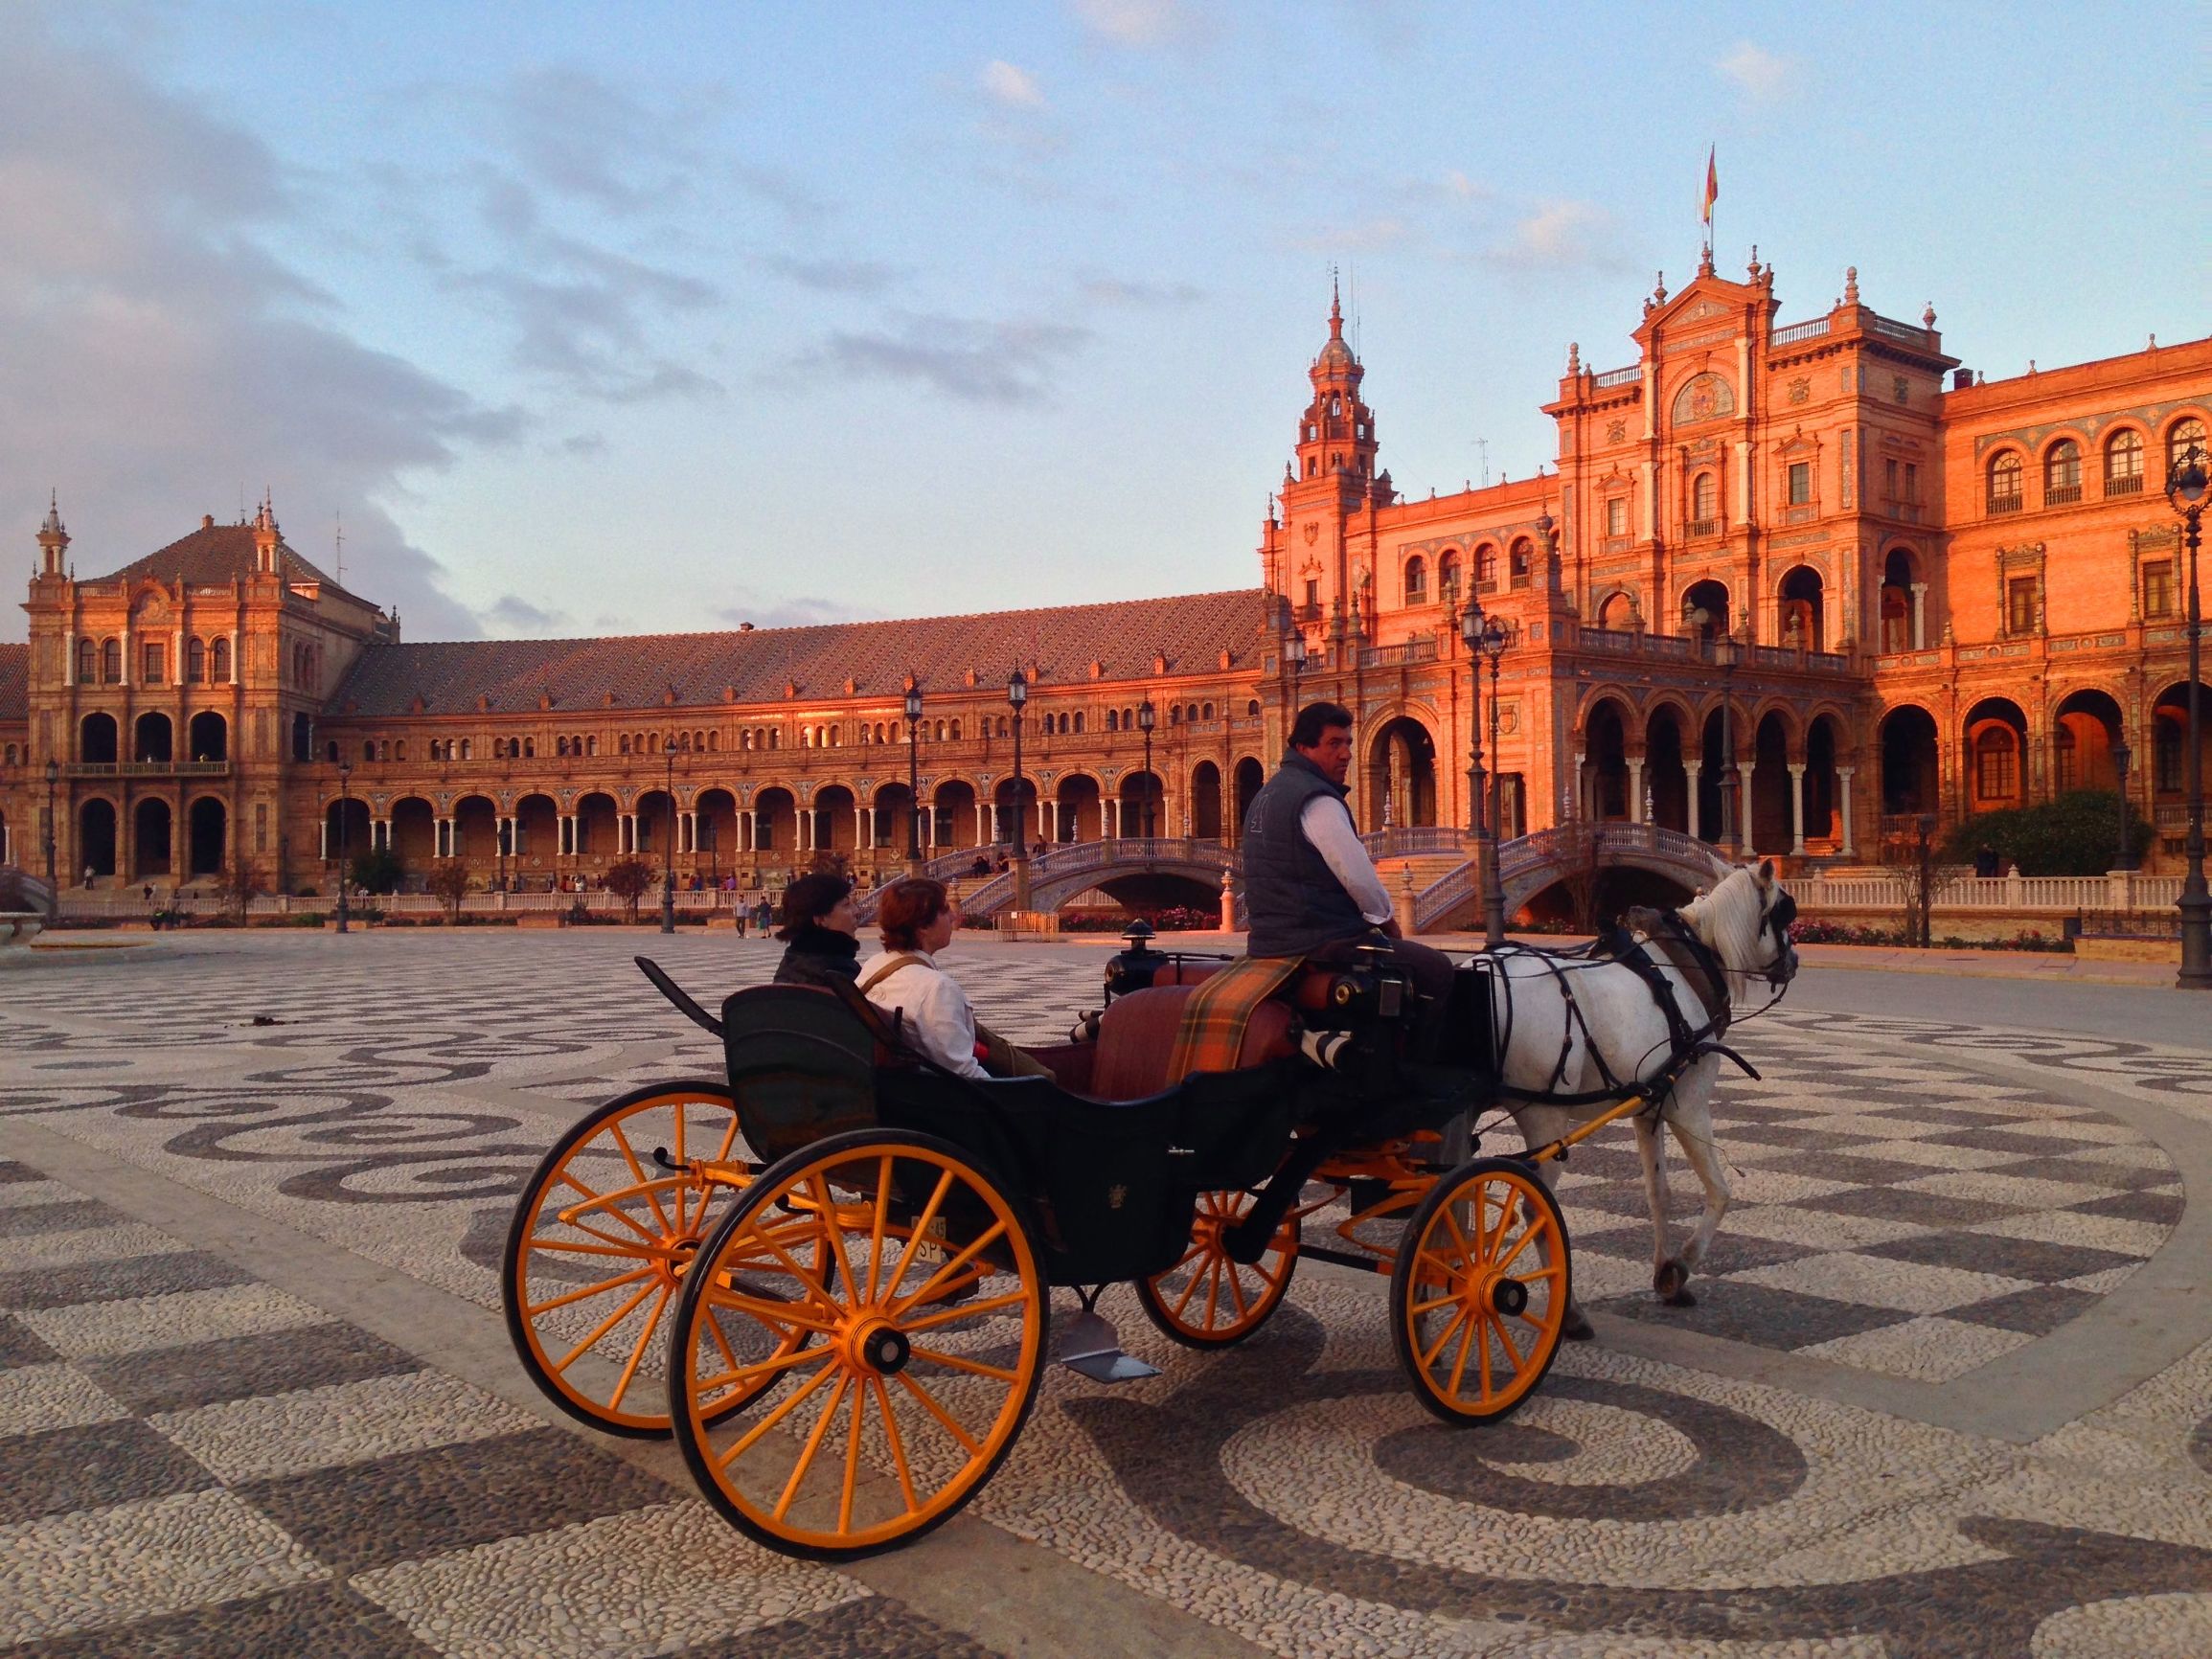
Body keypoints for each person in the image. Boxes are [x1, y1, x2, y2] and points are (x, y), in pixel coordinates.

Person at [1241, 700, 1457, 1060]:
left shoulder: (1269, 794)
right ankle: (1414, 1070)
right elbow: (1357, 875)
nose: (1346, 754)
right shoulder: (1317, 800)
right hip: (1320, 937)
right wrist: (1385, 919)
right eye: (1334, 744)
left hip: (1269, 941)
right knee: (1437, 970)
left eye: (1349, 745)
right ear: (1303, 747)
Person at [859, 877, 1050, 1079]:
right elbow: (963, 1071)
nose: (952, 915)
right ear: (923, 926)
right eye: (944, 910)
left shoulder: (874, 965)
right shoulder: (936, 988)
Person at [771, 873, 861, 989]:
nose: (856, 911)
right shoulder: (841, 974)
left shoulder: (788, 968)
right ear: (821, 918)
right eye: (846, 904)